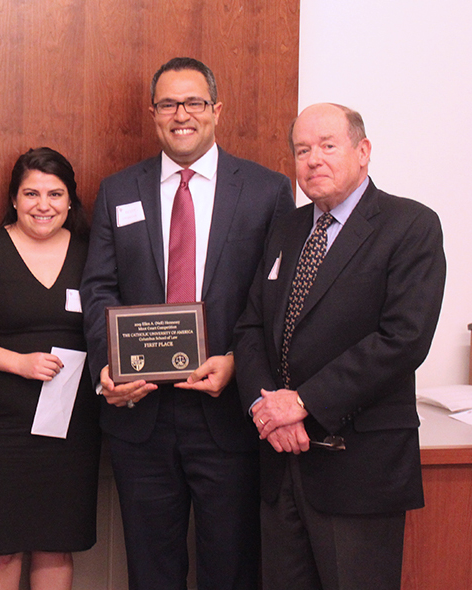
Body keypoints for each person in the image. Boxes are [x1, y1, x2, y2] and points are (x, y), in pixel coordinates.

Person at [80, 57, 295, 590]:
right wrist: (109, 367)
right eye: (169, 103)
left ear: (216, 111)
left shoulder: (267, 191)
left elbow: (274, 298)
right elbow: (99, 289)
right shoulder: (117, 190)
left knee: (232, 568)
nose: (182, 114)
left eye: (194, 102)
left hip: (227, 412)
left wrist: (237, 365)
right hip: (140, 416)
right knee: (151, 571)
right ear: (153, 114)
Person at [234, 103, 446, 590]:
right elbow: (250, 328)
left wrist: (303, 404)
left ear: (363, 151)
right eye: (302, 150)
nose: (313, 160)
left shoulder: (410, 226)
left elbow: (403, 338)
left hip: (359, 469)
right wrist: (267, 408)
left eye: (328, 146)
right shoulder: (287, 227)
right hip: (279, 462)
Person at [0, 147, 100, 590]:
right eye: (31, 193)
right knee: (1, 544)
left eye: (55, 193)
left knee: (56, 541)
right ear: (14, 199)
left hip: (72, 423)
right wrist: (17, 363)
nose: (43, 205)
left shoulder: (94, 254)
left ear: (71, 201)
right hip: (1, 422)